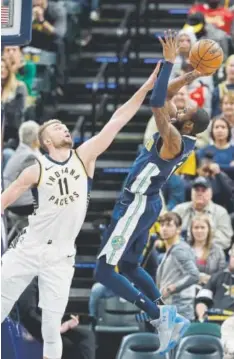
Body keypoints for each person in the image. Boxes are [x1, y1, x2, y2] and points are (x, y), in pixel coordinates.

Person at [1, 61, 161, 359]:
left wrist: (147, 86)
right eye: (57, 127)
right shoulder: (36, 168)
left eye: (64, 125)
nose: (64, 128)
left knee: (51, 327)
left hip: (61, 255)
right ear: (46, 140)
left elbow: (118, 118)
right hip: (29, 247)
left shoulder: (84, 155)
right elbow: (5, 199)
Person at [95, 30, 210, 355]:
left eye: (184, 109)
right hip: (145, 203)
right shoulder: (180, 134)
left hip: (136, 205)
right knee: (130, 266)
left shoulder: (173, 139)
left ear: (187, 125)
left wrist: (169, 62)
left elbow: (158, 100)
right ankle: (165, 311)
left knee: (103, 270)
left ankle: (157, 314)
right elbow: (166, 96)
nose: (180, 104)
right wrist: (191, 73)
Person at [13, 278, 95, 359]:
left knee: (85, 336)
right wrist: (59, 328)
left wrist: (65, 322)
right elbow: (29, 315)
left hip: (43, 324)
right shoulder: (28, 279)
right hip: (34, 328)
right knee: (83, 341)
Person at [156, 212, 199, 321]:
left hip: (179, 309)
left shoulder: (179, 250)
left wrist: (171, 288)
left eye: (169, 225)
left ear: (178, 229)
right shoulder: (173, 249)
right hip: (170, 308)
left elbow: (194, 275)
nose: (164, 229)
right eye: (162, 225)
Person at [173, 176, 233, 249]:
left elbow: (224, 240)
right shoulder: (179, 209)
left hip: (211, 254)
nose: (199, 193)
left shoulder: (221, 212)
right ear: (191, 192)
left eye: (203, 190)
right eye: (197, 190)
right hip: (181, 252)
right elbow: (170, 231)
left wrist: (200, 247)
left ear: (211, 193)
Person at [3, 121, 41, 216]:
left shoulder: (23, 151)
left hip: (15, 200)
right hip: (22, 203)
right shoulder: (29, 157)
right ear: (34, 138)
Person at [195, 244, 234, 322]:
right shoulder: (217, 277)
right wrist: (202, 316)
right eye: (233, 255)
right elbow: (202, 301)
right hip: (213, 325)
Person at [190, 215, 226, 286]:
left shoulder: (218, 251)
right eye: (196, 227)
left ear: (209, 229)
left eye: (203, 227)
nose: (199, 231)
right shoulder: (184, 249)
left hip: (211, 289)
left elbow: (222, 276)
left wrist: (209, 279)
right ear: (191, 230)